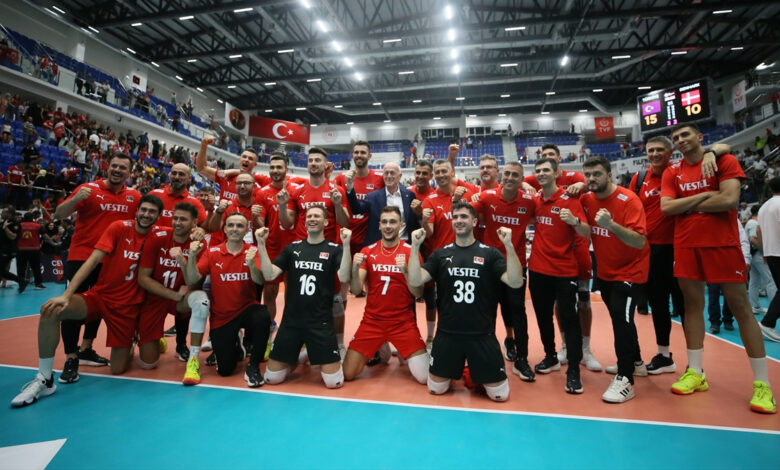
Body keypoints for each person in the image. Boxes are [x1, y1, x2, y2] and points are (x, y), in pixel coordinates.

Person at [660, 123, 775, 414]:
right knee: (692, 306)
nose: (680, 140)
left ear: (700, 137)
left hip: (723, 244)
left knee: (741, 308)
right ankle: (696, 373)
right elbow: (667, 208)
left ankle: (762, 385)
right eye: (675, 137)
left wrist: (686, 204)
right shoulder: (672, 171)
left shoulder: (725, 161)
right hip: (686, 245)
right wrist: (704, 196)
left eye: (685, 134)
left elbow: (729, 200)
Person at [11, 195, 163, 408]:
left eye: (152, 212)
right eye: (143, 210)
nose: (146, 214)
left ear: (159, 216)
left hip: (126, 308)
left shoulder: (161, 235)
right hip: (101, 296)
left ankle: (130, 340)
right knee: (51, 310)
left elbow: (186, 230)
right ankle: (44, 379)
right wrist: (67, 294)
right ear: (136, 211)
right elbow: (92, 261)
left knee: (117, 369)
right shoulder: (119, 227)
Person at [407, 201, 523, 402]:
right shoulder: (440, 254)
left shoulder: (490, 254)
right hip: (447, 334)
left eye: (464, 217)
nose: (459, 221)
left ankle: (470, 369)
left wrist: (509, 245)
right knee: (436, 389)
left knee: (500, 396)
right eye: (455, 217)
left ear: (474, 222)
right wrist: (415, 246)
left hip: (482, 335)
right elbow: (416, 281)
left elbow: (515, 282)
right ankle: (463, 368)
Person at [53, 152, 142, 383]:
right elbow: (59, 214)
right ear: (107, 167)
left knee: (100, 304)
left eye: (122, 168)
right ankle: (71, 357)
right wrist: (74, 199)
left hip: (112, 263)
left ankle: (86, 348)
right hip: (82, 258)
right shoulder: (88, 189)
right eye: (114, 166)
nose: (117, 170)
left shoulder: (134, 196)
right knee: (70, 306)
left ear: (129, 173)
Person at [256, 207, 351, 389]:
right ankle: (302, 356)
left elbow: (345, 277)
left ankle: (311, 352)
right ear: (304, 222)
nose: (312, 219)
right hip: (292, 321)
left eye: (317, 216)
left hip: (320, 322)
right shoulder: (292, 248)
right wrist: (261, 244)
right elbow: (269, 275)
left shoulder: (334, 249)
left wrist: (347, 246)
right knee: (271, 379)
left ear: (326, 222)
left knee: (334, 383)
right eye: (309, 216)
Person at [581, 157, 650, 403]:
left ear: (609, 175)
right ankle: (637, 362)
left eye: (597, 174)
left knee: (621, 320)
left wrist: (610, 224)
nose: (591, 179)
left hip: (631, 271)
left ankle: (626, 378)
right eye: (588, 174)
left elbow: (639, 241)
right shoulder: (587, 199)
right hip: (606, 272)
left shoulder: (628, 200)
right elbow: (586, 228)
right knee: (621, 319)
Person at [180, 212, 270, 387]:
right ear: (225, 229)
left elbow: (260, 281)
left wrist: (251, 264)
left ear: (247, 230)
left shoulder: (253, 250)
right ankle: (236, 344)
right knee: (225, 371)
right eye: (231, 225)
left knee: (262, 316)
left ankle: (253, 367)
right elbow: (191, 280)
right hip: (222, 316)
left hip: (247, 309)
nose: (235, 229)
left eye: (240, 226)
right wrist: (191, 256)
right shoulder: (212, 252)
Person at [277, 147, 350, 356]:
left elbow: (345, 222)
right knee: (299, 299)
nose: (314, 163)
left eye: (318, 160)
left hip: (329, 254)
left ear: (326, 165)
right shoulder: (297, 190)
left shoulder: (336, 190)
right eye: (311, 160)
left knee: (335, 301)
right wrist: (282, 206)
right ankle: (301, 340)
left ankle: (339, 344)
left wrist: (337, 205)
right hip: (302, 253)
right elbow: (287, 224)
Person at [527, 158, 591, 393]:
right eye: (538, 171)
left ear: (557, 173)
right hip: (537, 269)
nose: (541, 173)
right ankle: (551, 356)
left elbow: (586, 231)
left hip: (564, 270)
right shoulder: (536, 200)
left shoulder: (570, 199)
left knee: (569, 319)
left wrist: (574, 221)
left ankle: (573, 370)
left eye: (546, 170)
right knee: (543, 317)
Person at [343, 206, 428, 383]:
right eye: (385, 222)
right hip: (372, 321)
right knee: (347, 374)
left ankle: (388, 347)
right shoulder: (368, 251)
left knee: (424, 378)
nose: (388, 226)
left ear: (401, 225)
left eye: (393, 222)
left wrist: (405, 271)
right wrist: (354, 268)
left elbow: (418, 292)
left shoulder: (410, 251)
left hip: (403, 323)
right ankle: (382, 347)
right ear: (379, 225)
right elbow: (356, 290)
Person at [471, 161, 536, 380]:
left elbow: (543, 213)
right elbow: (466, 212)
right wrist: (461, 198)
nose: (509, 177)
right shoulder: (487, 197)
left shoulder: (529, 201)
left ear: (521, 179)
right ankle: (486, 357)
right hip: (490, 266)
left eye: (515, 175)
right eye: (507, 173)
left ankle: (522, 359)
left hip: (517, 265)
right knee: (486, 312)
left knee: (517, 311)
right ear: (501, 175)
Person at [137, 203, 205, 379]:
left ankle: (189, 352)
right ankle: (153, 337)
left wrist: (185, 260)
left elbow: (194, 284)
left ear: (194, 222)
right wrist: (174, 295)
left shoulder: (199, 243)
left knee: (200, 299)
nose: (177, 222)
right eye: (175, 218)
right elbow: (143, 278)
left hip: (181, 299)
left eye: (183, 219)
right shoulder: (158, 237)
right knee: (148, 364)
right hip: (156, 297)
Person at [346, 162, 420, 246]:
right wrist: (350, 188)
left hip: (404, 245)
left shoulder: (409, 195)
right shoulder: (373, 197)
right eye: (386, 173)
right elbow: (357, 210)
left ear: (400, 176)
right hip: (380, 246)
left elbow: (413, 222)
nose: (389, 176)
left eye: (392, 173)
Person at [333, 141, 385, 253]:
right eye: (356, 152)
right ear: (352, 155)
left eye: (363, 152)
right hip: (344, 239)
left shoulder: (380, 178)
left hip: (369, 241)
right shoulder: (341, 178)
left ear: (369, 156)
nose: (359, 155)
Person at [757, 176, 780, 342]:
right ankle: (767, 322)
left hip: (771, 252)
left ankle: (768, 322)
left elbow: (759, 231)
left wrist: (764, 251)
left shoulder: (764, 206)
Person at [148, 163, 206, 228]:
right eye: (174, 173)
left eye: (181, 174)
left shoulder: (195, 203)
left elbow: (205, 227)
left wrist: (210, 210)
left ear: (189, 179)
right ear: (169, 176)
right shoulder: (154, 195)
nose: (177, 177)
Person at [746, 204, 777, 317]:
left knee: (754, 281)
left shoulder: (751, 222)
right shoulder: (754, 223)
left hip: (753, 255)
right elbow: (753, 239)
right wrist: (764, 250)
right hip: (758, 255)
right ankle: (775, 308)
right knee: (771, 279)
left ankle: (756, 306)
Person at [16, 211, 45, 292]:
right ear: (32, 218)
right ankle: (38, 284)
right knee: (36, 267)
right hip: (34, 250)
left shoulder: (19, 225)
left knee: (21, 268)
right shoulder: (38, 226)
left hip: (21, 250)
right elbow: (44, 235)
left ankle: (21, 284)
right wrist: (52, 242)